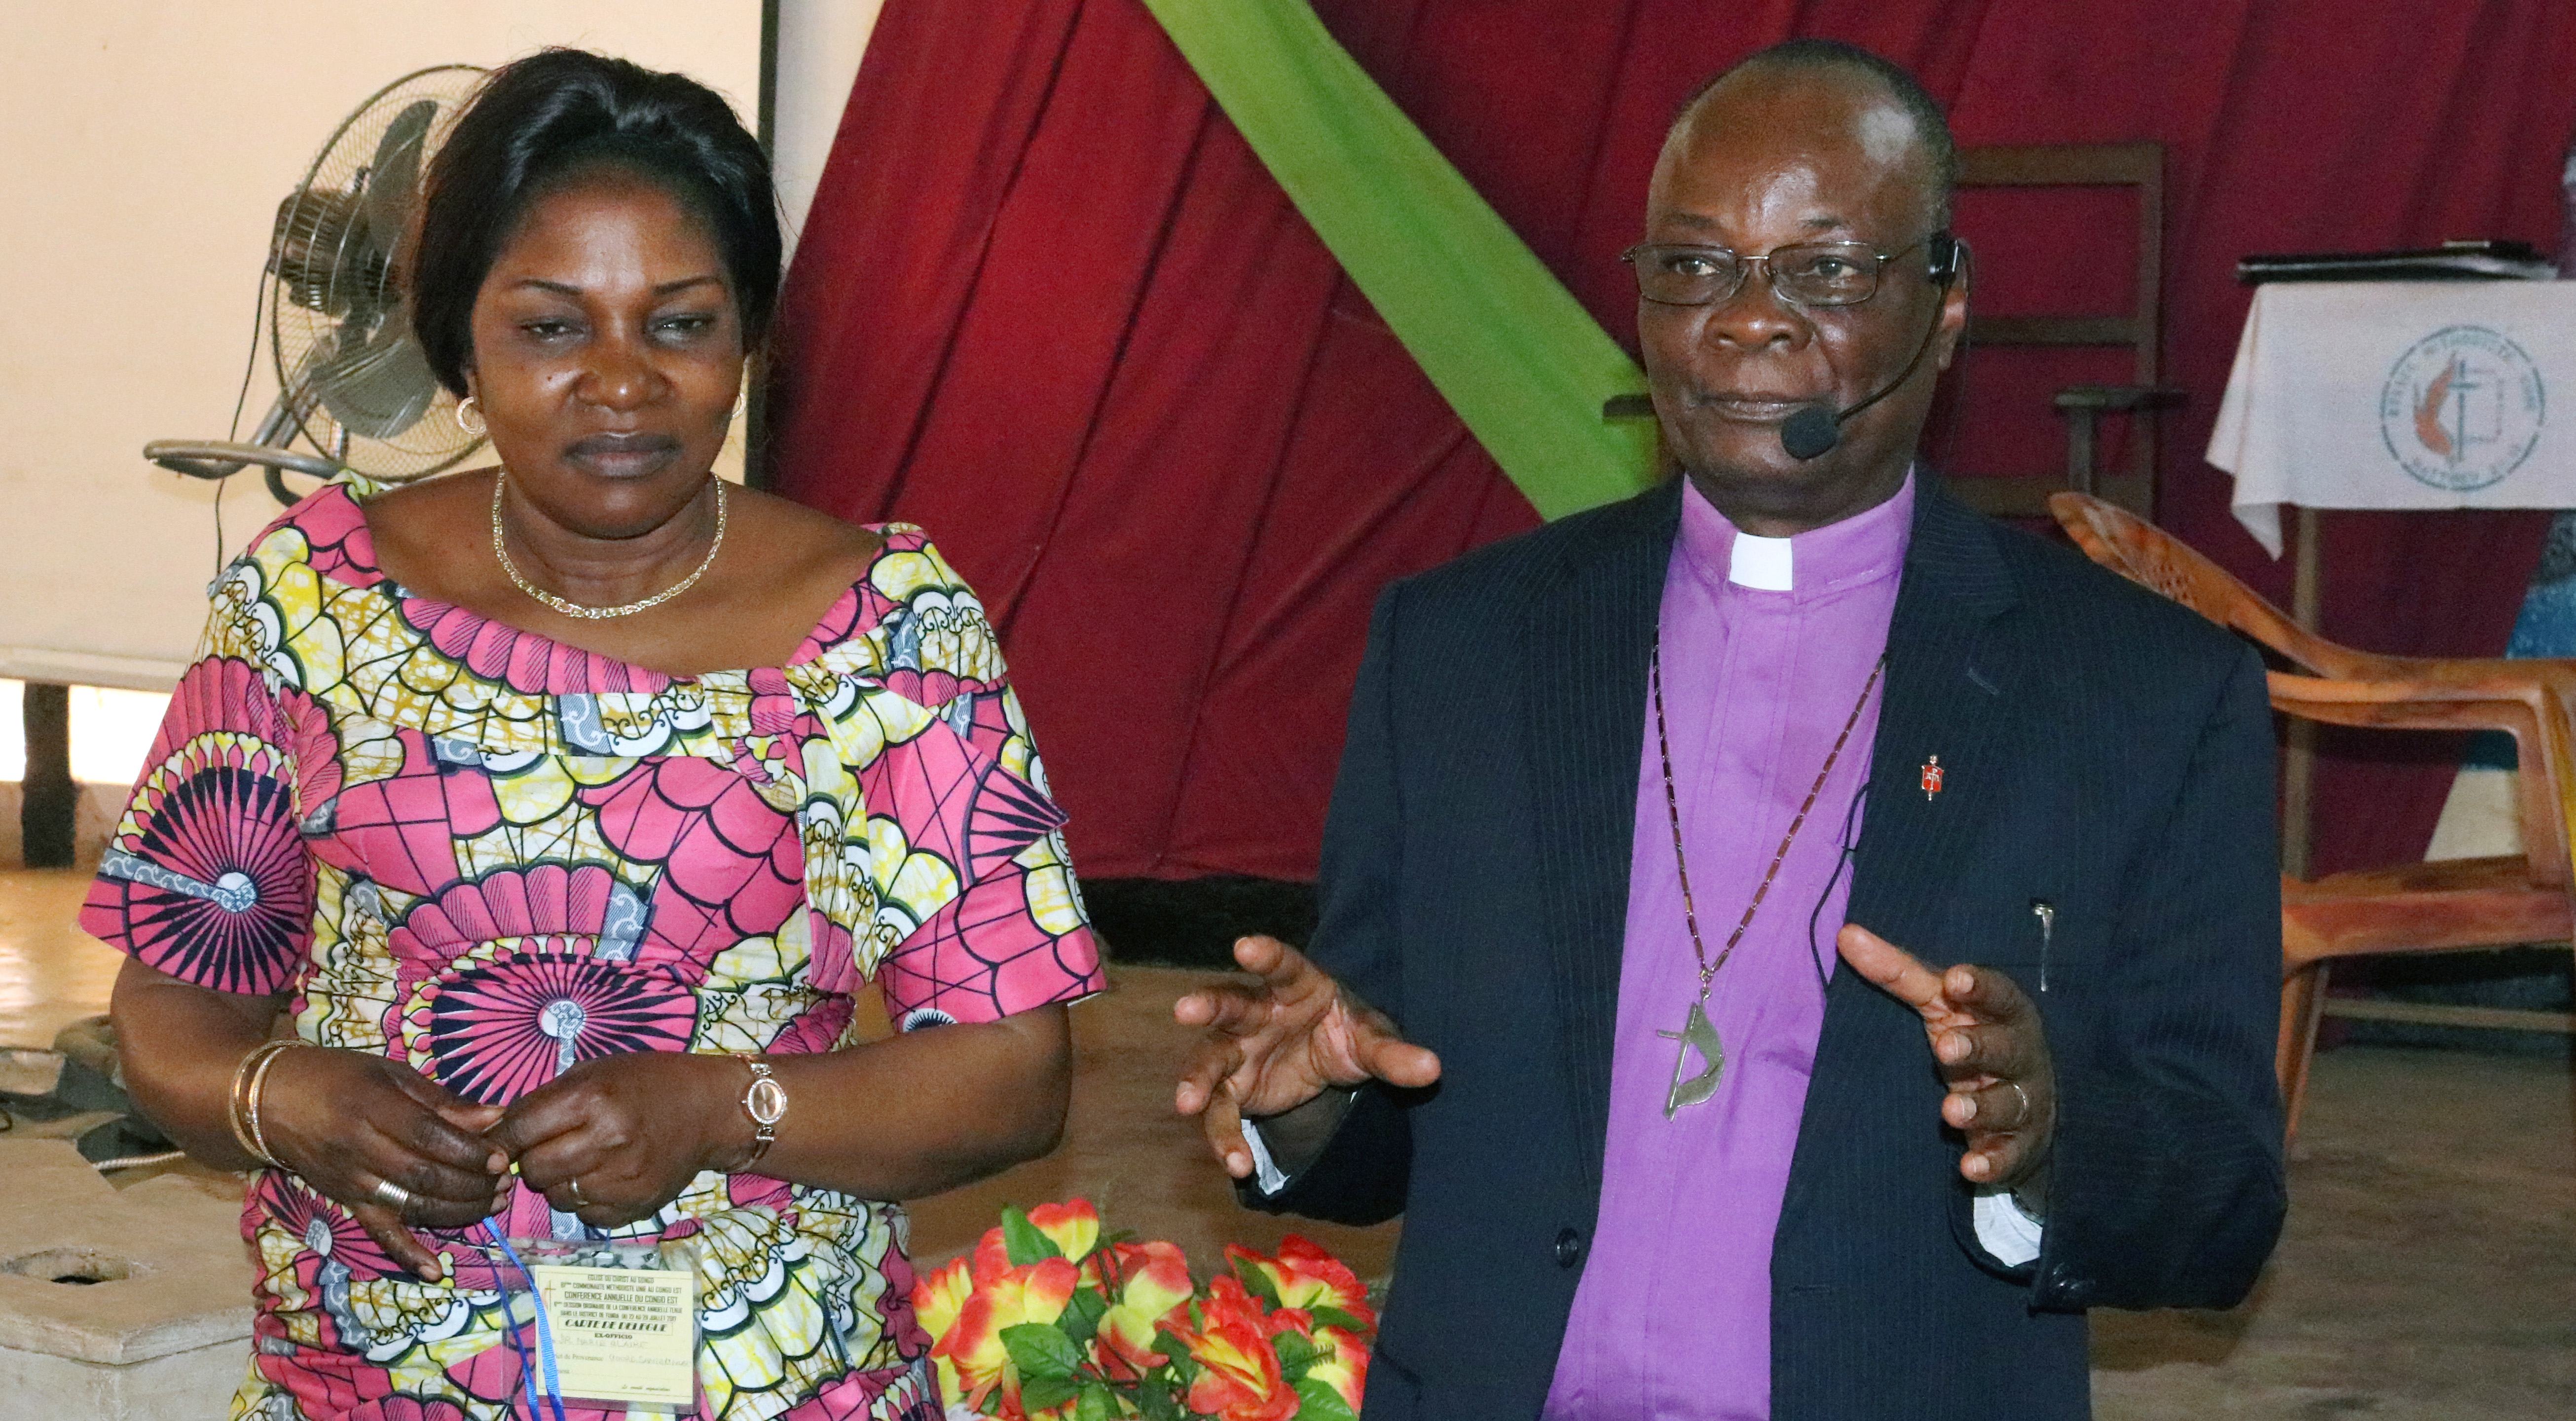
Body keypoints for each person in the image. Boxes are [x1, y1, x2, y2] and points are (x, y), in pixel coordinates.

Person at [1175, 39, 2284, 1421]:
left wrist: (2052, 1140)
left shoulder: (2146, 694)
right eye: (1696, 267)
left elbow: (2224, 1209)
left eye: (1825, 271)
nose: (1749, 322)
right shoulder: (1460, 647)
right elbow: (1388, 1112)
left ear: (1947, 301)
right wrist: (1305, 1103)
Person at [90, 50, 1103, 1421]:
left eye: (678, 325)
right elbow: (169, 1004)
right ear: (456, 343)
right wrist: (282, 1096)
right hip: (368, 1379)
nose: (622, 382)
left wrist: (721, 1109)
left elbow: (1011, 1073)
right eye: (553, 329)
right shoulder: (311, 599)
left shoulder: (885, 629)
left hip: (766, 1380)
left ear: (747, 337)